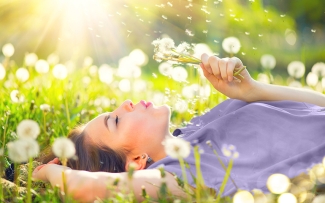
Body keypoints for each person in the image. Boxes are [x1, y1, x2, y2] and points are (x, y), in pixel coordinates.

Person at [33, 53, 325, 202]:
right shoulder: (178, 174)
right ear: (136, 162)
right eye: (117, 121)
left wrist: (252, 91)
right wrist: (48, 172)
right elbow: (89, 188)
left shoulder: (195, 131)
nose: (125, 103)